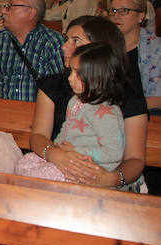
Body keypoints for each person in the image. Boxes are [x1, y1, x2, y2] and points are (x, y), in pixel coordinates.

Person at [23, 15, 147, 245]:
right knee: (44, 191)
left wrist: (110, 178)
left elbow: (134, 158)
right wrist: (56, 154)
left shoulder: (123, 95)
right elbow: (38, 136)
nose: (65, 46)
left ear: (100, 51)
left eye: (75, 41)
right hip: (60, 164)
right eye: (67, 39)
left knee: (104, 206)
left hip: (108, 173)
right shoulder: (57, 85)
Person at [16, 42, 127, 183]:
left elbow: (114, 153)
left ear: (98, 77)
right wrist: (57, 148)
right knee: (25, 163)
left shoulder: (107, 112)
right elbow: (66, 129)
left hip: (86, 168)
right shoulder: (75, 101)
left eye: (78, 74)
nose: (70, 78)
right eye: (71, 72)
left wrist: (76, 151)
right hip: (66, 158)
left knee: (37, 178)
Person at [0, 0, 64, 101]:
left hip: (38, 112)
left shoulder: (52, 42)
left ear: (31, 13)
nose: (3, 11)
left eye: (9, 6)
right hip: (4, 107)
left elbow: (60, 85)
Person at [107, 0, 161, 112]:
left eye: (124, 11)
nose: (116, 15)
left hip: (147, 114)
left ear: (141, 16)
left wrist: (118, 112)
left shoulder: (156, 49)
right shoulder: (103, 46)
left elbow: (158, 99)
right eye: (113, 10)